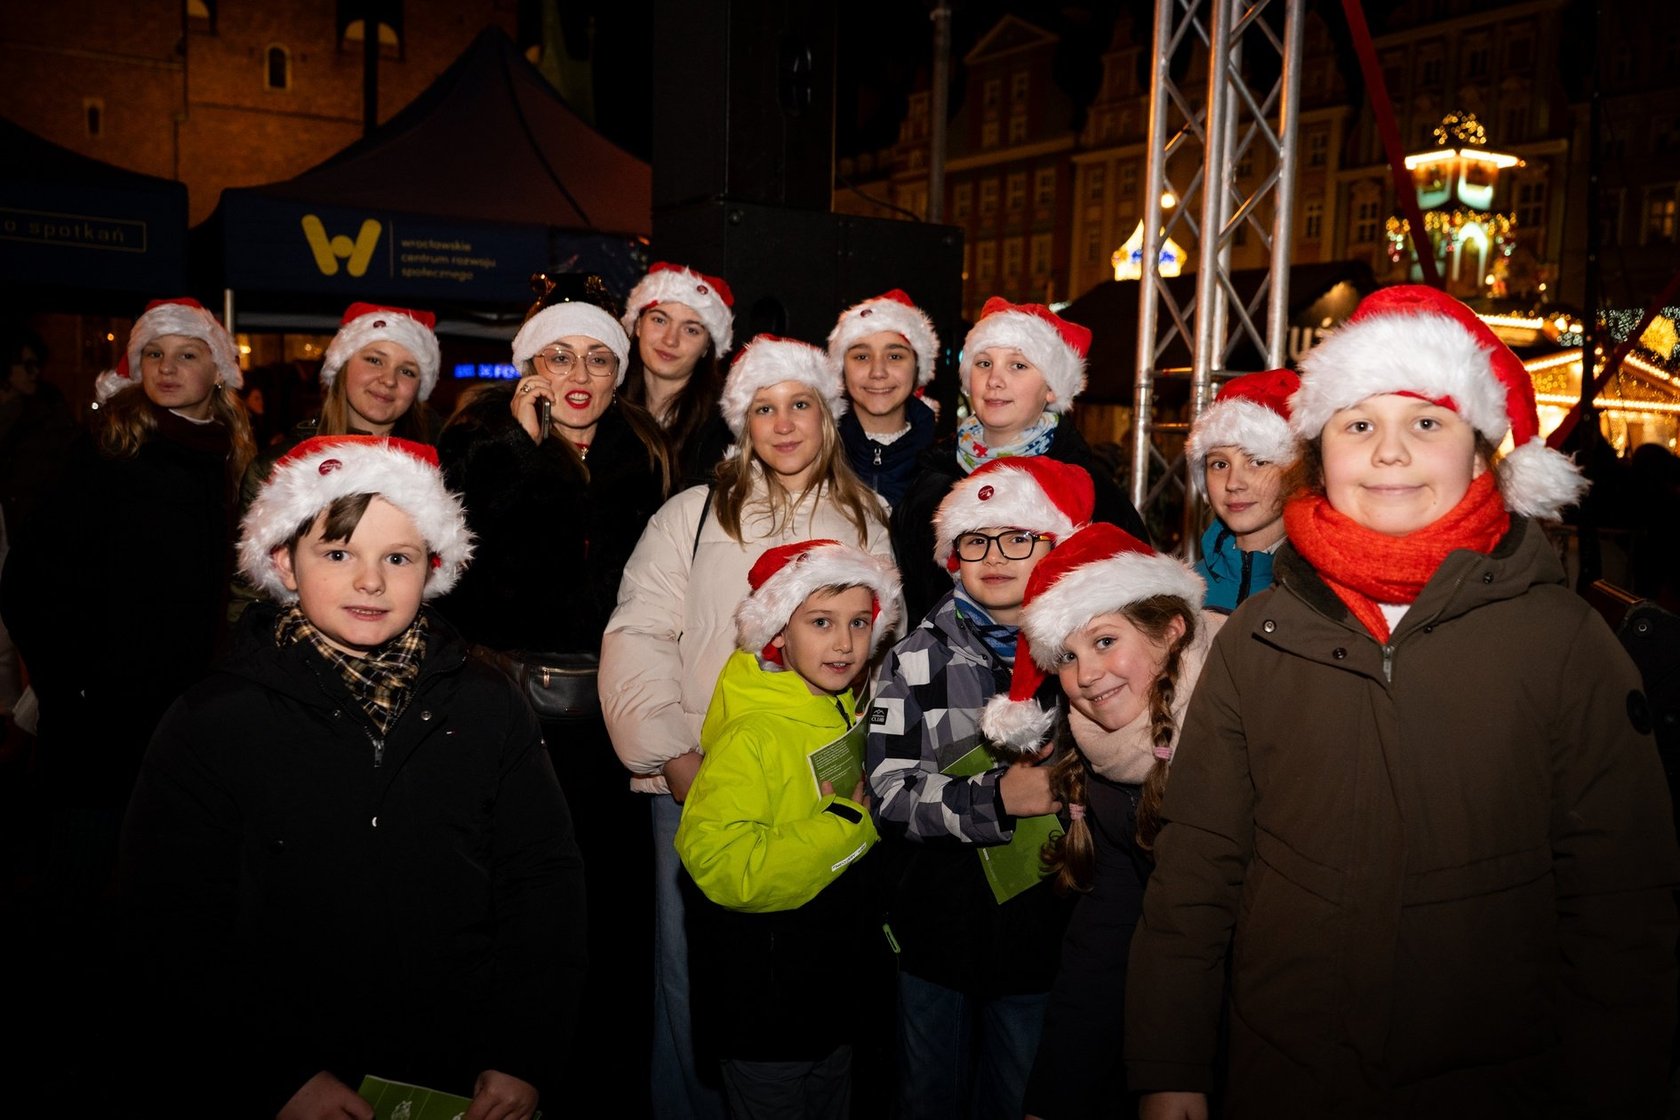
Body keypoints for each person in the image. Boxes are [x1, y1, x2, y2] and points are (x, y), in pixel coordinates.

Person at [1125, 286, 1680, 1118]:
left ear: (1482, 457)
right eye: (1357, 425)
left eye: (1426, 422)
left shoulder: (1564, 644)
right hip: (1284, 1072)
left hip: (1502, 1084)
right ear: (1318, 456)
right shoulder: (1258, 638)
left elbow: (1621, 905)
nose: (1389, 452)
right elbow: (1197, 865)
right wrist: (1169, 1063)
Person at [118, 435, 584, 1120]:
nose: (370, 581)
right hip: (282, 1068)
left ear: (433, 566)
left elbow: (542, 882)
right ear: (284, 561)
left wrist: (522, 1053)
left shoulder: (487, 703)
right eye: (338, 554)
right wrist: (275, 1078)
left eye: (397, 557)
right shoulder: (213, 718)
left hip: (458, 1065)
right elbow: (166, 919)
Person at [601, 334, 899, 1120]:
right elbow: (638, 634)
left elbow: (881, 646)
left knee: (816, 970)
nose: (785, 423)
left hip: (825, 785)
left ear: (827, 415)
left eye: (800, 403)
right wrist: (671, 755)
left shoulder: (866, 518)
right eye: (765, 408)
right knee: (695, 979)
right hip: (705, 778)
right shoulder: (691, 514)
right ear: (743, 422)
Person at [435, 276, 670, 1111]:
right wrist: (522, 448)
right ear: (529, 366)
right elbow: (462, 574)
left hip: (607, 716)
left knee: (598, 907)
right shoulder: (477, 444)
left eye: (598, 358)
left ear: (618, 374)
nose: (579, 374)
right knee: (506, 901)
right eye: (559, 356)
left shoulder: (643, 453)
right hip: (502, 708)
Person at [866, 457, 1096, 1120]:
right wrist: (995, 799)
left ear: (1054, 547)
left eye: (1018, 537)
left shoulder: (1084, 651)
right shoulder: (916, 657)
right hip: (937, 934)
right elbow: (888, 794)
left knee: (1021, 1091)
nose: (995, 556)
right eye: (976, 540)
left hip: (1042, 934)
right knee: (927, 1094)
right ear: (952, 555)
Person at [974, 521, 1219, 1119]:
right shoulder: (1101, 756)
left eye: (1105, 641)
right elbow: (1104, 938)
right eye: (1068, 656)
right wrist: (1052, 1097)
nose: (1085, 675)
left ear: (1172, 630)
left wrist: (1177, 1070)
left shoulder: (1234, 731)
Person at [676, 539, 902, 1118]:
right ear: (779, 630)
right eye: (821, 622)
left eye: (859, 622)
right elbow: (723, 864)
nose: (844, 643)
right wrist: (844, 827)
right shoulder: (753, 733)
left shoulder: (835, 705)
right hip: (768, 1008)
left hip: (830, 991)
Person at [892, 298, 1148, 622]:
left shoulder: (1091, 490)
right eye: (984, 363)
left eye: (1018, 366)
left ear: (1051, 389)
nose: (994, 380)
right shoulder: (931, 480)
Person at [1183, 368, 1299, 612]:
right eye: (1220, 464)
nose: (1233, 483)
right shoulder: (1184, 592)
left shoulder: (1321, 593)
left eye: (1257, 461)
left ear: (1295, 472)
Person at [618, 261, 737, 486]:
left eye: (691, 330)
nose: (670, 340)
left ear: (707, 347)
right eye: (660, 320)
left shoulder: (725, 425)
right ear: (638, 325)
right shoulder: (605, 403)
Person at [827, 289, 941, 506]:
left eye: (895, 356)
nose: (878, 372)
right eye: (862, 356)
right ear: (841, 369)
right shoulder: (814, 456)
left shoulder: (946, 466)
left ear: (917, 368)